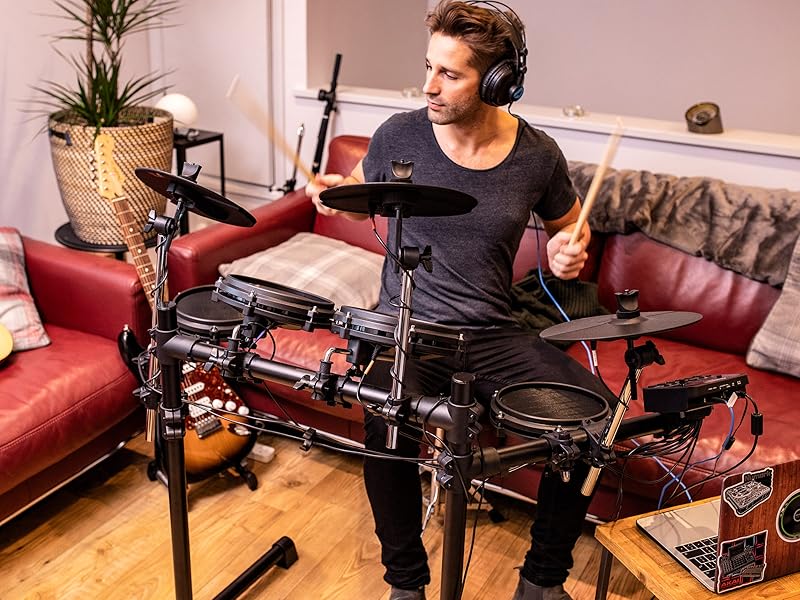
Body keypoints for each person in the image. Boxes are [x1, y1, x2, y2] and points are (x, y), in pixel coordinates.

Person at [306, 2, 615, 599]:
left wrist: (568, 253)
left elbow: (571, 231)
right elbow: (359, 195)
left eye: (449, 74)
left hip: (492, 333)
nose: (429, 85)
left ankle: (542, 581)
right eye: (429, 66)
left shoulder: (537, 155)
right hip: (407, 327)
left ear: (498, 82)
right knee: (385, 416)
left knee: (593, 419)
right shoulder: (399, 135)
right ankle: (406, 584)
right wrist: (334, 193)